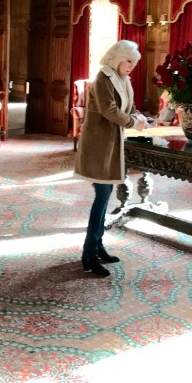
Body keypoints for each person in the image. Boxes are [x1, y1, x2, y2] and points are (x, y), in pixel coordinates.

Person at [74, 40, 147, 277]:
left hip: (112, 142)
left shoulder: (123, 79)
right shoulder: (103, 78)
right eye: (129, 61)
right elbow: (109, 110)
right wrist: (133, 122)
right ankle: (89, 253)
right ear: (117, 59)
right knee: (102, 196)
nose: (132, 66)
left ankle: (98, 246)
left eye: (135, 62)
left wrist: (140, 117)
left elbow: (129, 107)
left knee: (105, 196)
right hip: (98, 144)